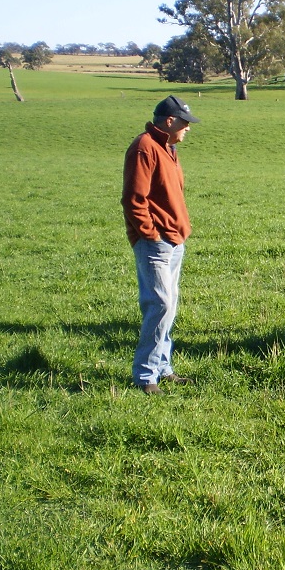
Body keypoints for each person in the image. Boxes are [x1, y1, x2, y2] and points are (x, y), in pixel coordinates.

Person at [122, 95, 200, 394]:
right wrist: (149, 234)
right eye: (185, 123)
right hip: (156, 242)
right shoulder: (144, 147)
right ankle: (145, 375)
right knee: (159, 304)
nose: (188, 128)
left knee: (170, 306)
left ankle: (163, 367)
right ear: (170, 121)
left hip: (174, 239)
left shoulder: (168, 148)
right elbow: (133, 199)